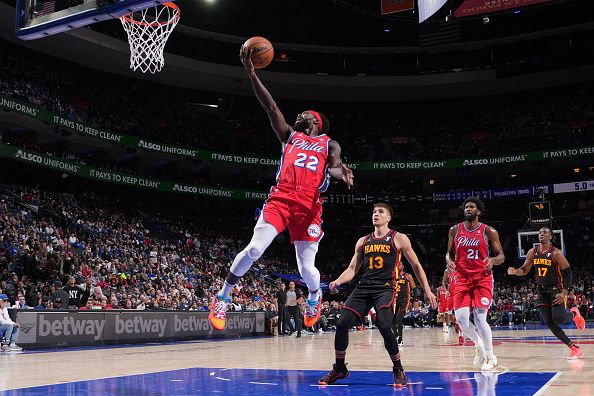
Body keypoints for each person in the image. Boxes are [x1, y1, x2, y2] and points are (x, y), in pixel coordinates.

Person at [209, 43, 354, 331]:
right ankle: (222, 297)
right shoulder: (289, 135)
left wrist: (339, 172)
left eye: (302, 114)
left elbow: (335, 163)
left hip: (310, 205)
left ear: (314, 120)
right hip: (281, 198)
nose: (297, 116)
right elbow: (270, 106)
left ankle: (314, 296)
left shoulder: (328, 143)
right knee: (254, 250)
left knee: (305, 269)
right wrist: (251, 73)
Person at [319, 204, 437, 387]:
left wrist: (427, 290)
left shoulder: (398, 238)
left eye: (381, 212)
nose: (376, 214)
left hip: (385, 288)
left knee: (383, 324)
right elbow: (352, 269)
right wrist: (338, 281)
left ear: (389, 217)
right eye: (374, 212)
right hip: (363, 287)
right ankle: (340, 368)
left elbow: (416, 265)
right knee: (342, 323)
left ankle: (398, 368)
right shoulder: (363, 241)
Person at [508, 226, 586, 360]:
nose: (541, 234)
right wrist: (516, 271)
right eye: (539, 233)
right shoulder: (533, 251)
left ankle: (574, 313)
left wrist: (564, 292)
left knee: (559, 319)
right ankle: (574, 348)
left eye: (545, 233)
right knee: (550, 323)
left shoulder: (556, 253)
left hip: (556, 290)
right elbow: (525, 269)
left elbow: (568, 273)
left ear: (551, 237)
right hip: (541, 291)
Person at [446, 197, 505, 371]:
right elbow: (448, 253)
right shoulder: (454, 230)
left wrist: (493, 260)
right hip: (461, 277)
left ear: (478, 211)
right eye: (466, 207)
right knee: (462, 320)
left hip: (482, 277)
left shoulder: (489, 231)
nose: (468, 209)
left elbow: (501, 256)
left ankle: (490, 355)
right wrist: (449, 261)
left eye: (471, 207)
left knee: (480, 318)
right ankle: (479, 346)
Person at [392, 261, 415, 347]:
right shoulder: (393, 276)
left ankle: (400, 339)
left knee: (399, 318)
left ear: (403, 266)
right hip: (394, 300)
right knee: (392, 320)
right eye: (397, 264)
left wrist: (415, 300)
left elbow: (414, 288)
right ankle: (396, 336)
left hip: (404, 299)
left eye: (400, 264)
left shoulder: (407, 276)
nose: (398, 265)